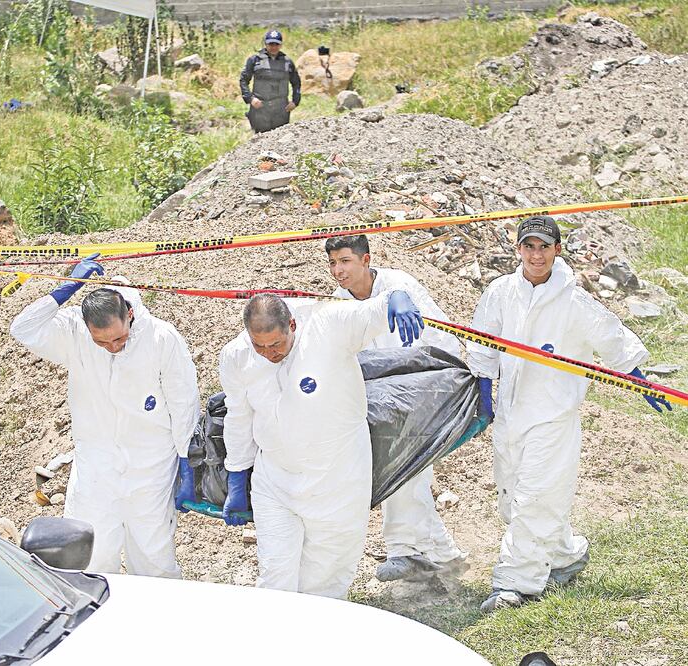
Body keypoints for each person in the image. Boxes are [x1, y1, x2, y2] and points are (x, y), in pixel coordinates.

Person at [467, 216, 671, 613]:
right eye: (529, 246)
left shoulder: (573, 300)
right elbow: (483, 342)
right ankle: (565, 554)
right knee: (513, 499)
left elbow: (611, 337)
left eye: (544, 246)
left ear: (557, 250)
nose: (536, 254)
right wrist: (485, 395)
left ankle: (515, 583)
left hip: (552, 415)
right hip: (510, 413)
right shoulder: (501, 292)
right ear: (519, 250)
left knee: (534, 498)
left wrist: (641, 380)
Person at [195, 290, 424, 599]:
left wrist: (395, 299)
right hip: (274, 481)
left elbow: (369, 312)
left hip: (336, 482)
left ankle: (316, 643)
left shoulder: (327, 327)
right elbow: (239, 415)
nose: (269, 353)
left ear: (292, 324)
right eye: (259, 346)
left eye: (276, 344)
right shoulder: (237, 355)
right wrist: (237, 475)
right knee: (275, 575)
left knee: (324, 582)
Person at [10, 254, 200, 578]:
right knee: (90, 558)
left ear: (129, 314)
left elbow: (184, 403)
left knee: (154, 560)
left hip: (151, 465)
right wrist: (66, 288)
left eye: (119, 338)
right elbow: (23, 328)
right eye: (102, 342)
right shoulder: (73, 333)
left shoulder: (160, 338)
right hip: (95, 466)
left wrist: (186, 461)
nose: (112, 347)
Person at [325, 234, 468, 583]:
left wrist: (451, 383)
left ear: (366, 260)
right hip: (379, 398)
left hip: (424, 385)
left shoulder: (400, 287)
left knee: (404, 464)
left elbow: (439, 338)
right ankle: (443, 555)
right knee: (403, 470)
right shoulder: (337, 302)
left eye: (345, 261)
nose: (338, 270)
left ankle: (404, 550)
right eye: (332, 263)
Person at [239, 29, 301, 133]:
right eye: (270, 44)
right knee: (260, 141)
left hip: (281, 109)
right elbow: (243, 80)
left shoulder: (287, 62)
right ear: (265, 44)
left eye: (276, 44)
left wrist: (295, 101)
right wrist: (250, 99)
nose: (273, 47)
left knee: (280, 140)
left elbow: (296, 83)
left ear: (280, 45)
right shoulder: (255, 60)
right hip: (260, 108)